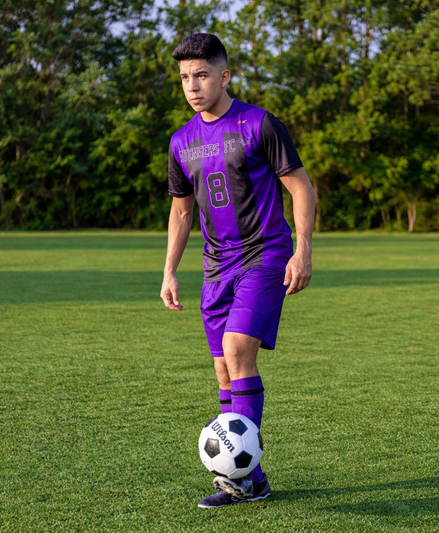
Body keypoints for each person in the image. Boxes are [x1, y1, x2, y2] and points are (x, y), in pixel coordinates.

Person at [160, 33, 316, 509]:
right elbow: (182, 212)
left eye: (202, 75)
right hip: (216, 266)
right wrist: (169, 270)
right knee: (223, 371)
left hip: (265, 253)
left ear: (224, 76)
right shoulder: (181, 141)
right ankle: (249, 479)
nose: (192, 85)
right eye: (185, 77)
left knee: (236, 350)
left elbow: (301, 187)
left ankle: (243, 478)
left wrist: (303, 250)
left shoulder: (259, 124)